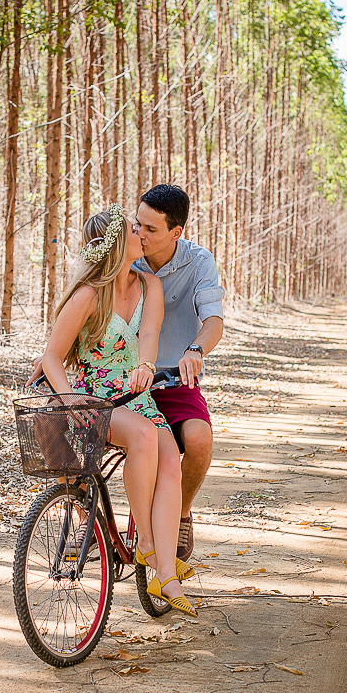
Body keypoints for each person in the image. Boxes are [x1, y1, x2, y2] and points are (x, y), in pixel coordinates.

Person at [39, 203, 197, 617]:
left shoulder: (149, 286)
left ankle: (167, 573)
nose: (141, 234)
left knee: (170, 463)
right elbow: (52, 356)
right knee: (144, 436)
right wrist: (70, 400)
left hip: (136, 396)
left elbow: (148, 334)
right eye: (133, 229)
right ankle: (146, 543)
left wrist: (145, 366)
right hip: (95, 398)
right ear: (114, 246)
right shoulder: (89, 296)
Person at [132, 185, 224, 560]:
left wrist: (196, 349)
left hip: (173, 377)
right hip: (124, 378)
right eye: (138, 224)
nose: (140, 234)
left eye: (151, 229)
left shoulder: (199, 262)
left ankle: (181, 514)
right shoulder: (124, 256)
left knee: (199, 441)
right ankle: (91, 523)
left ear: (176, 232)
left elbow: (214, 320)